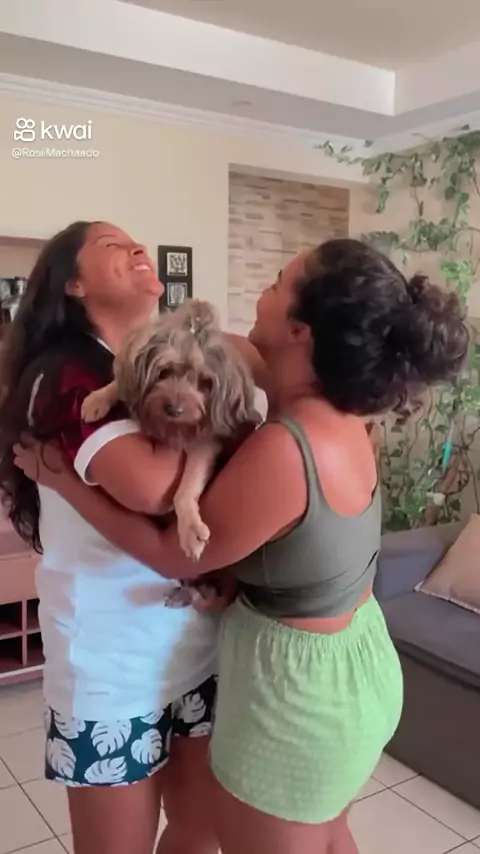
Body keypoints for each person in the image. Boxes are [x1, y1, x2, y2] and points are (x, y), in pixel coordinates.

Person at [11, 239, 468, 854]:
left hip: (300, 694)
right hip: (351, 660)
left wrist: (61, 479)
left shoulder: (286, 444)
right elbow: (283, 540)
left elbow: (175, 551)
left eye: (276, 281)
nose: (261, 292)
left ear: (301, 331)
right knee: (326, 837)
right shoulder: (339, 412)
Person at [0, 221, 240, 854]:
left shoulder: (142, 359)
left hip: (193, 647)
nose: (137, 248)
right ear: (73, 284)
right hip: (113, 667)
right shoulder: (66, 373)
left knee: (198, 832)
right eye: (112, 246)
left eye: (137, 242)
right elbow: (153, 488)